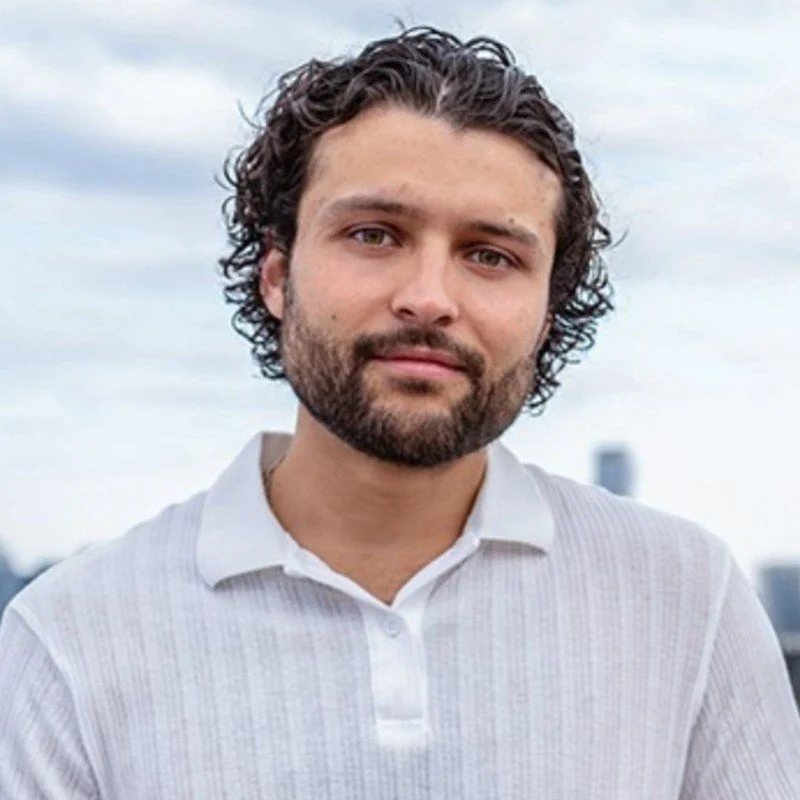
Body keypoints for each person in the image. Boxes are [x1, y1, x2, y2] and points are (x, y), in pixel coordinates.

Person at [1, 26, 798, 800]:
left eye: (491, 255)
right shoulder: (68, 640)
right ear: (278, 277)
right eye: (375, 234)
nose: (428, 298)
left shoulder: (688, 601)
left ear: (547, 314)